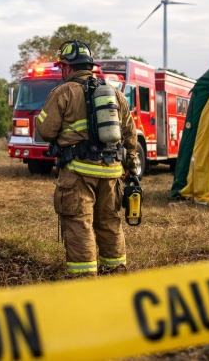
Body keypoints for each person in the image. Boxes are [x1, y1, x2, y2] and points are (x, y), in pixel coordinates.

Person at [36, 40, 139, 276]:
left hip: (78, 173)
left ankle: (83, 277)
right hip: (112, 172)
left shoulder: (64, 92)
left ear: (68, 67)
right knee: (109, 222)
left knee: (79, 223)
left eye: (62, 66)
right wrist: (131, 164)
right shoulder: (114, 92)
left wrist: (41, 120)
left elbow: (46, 131)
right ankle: (114, 271)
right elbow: (129, 132)